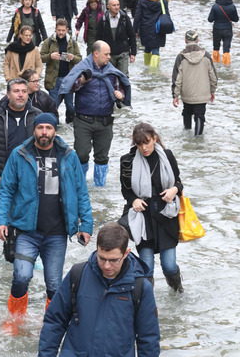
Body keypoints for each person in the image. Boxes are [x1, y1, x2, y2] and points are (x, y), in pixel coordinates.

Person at [0, 112, 93, 334]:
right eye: (41, 128)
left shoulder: (69, 156)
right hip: (25, 230)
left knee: (54, 285)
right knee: (21, 276)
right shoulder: (20, 154)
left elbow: (81, 192)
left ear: (55, 131)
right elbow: (6, 190)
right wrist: (1, 220)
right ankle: (14, 321)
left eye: (49, 128)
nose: (44, 132)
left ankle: (51, 324)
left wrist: (86, 225)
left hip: (57, 233)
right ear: (34, 130)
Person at [39, 222, 159, 356]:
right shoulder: (77, 274)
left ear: (126, 253)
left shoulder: (141, 288)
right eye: (102, 258)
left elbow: (148, 339)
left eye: (113, 260)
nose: (107, 266)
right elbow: (54, 321)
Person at [120, 122, 184, 292]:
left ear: (154, 138)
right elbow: (126, 191)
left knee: (169, 266)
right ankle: (147, 304)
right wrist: (133, 200)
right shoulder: (127, 161)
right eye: (139, 144)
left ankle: (177, 292)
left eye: (147, 142)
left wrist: (174, 190)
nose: (144, 148)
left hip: (166, 216)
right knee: (146, 269)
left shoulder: (167, 156)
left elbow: (179, 182)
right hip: (143, 218)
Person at [59, 40, 132, 187]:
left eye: (109, 54)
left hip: (105, 121)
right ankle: (80, 185)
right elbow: (71, 86)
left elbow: (120, 89)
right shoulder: (82, 69)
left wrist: (120, 95)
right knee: (81, 154)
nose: (109, 57)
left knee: (102, 157)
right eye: (106, 54)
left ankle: (100, 188)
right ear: (96, 54)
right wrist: (83, 80)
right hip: (83, 120)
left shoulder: (111, 71)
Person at [0, 77, 42, 190]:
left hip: (33, 175)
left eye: (24, 91)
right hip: (5, 175)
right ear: (8, 94)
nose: (20, 95)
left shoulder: (38, 116)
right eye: (16, 91)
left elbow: (49, 145)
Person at [171, 29, 218, 136]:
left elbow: (177, 78)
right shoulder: (206, 55)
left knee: (186, 113)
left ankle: (186, 138)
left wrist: (175, 95)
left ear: (185, 40)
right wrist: (212, 90)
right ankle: (198, 142)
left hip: (187, 93)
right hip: (202, 93)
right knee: (200, 115)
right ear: (197, 40)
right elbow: (213, 76)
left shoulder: (181, 57)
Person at [40, 18, 83, 124]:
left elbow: (80, 59)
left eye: (63, 30)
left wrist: (73, 57)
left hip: (69, 79)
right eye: (59, 30)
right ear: (55, 29)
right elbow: (40, 58)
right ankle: (54, 126)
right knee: (53, 106)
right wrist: (50, 56)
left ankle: (70, 127)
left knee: (70, 107)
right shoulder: (48, 42)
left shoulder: (72, 43)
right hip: (54, 79)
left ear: (67, 29)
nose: (60, 32)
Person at [133, 0, 171, 68]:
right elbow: (166, 15)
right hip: (158, 29)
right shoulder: (162, 0)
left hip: (145, 28)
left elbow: (137, 16)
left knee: (147, 48)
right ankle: (153, 72)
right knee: (155, 50)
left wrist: (134, 30)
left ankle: (146, 67)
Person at [95, 0, 137, 77]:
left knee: (123, 76)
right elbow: (98, 38)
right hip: (108, 55)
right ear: (108, 6)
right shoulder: (103, 20)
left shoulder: (125, 18)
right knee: (109, 76)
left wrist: (133, 53)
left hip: (123, 52)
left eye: (118, 5)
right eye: (114, 5)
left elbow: (132, 36)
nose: (117, 7)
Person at [207, 0, 239, 65]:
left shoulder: (215, 6)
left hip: (217, 30)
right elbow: (236, 19)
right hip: (228, 30)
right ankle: (227, 65)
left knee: (216, 48)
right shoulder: (232, 6)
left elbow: (210, 19)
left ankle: (215, 64)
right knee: (226, 49)